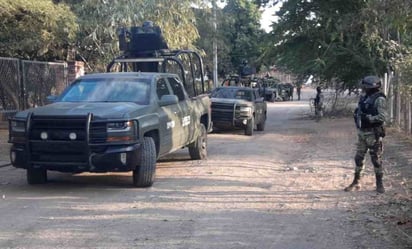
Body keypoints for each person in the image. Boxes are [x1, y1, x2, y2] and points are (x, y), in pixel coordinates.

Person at [345, 75, 387, 193]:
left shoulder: (379, 99)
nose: (363, 88)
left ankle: (379, 184)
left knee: (376, 159)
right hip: (363, 133)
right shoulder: (365, 97)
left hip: (373, 134)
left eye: (365, 86)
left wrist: (368, 118)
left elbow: (382, 117)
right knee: (358, 158)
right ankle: (356, 182)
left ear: (372, 87)